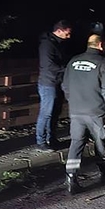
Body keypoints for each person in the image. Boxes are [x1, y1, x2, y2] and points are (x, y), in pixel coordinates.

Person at [61, 34, 105, 194]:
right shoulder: (103, 62)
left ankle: (71, 177)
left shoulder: (73, 61)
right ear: (101, 45)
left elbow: (65, 85)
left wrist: (73, 101)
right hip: (96, 111)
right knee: (101, 140)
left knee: (76, 143)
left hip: (76, 110)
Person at [35, 20, 72, 151]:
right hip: (48, 82)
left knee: (55, 112)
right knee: (46, 113)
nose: (69, 36)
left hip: (57, 81)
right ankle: (41, 141)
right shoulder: (47, 45)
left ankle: (52, 139)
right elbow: (49, 65)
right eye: (67, 33)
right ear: (59, 31)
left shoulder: (58, 43)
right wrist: (66, 68)